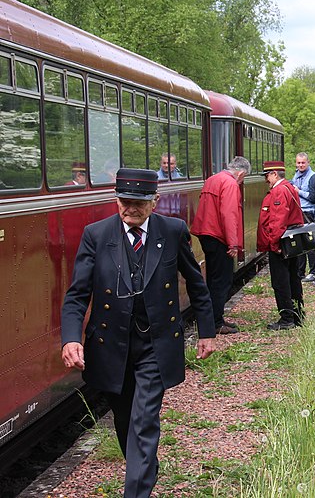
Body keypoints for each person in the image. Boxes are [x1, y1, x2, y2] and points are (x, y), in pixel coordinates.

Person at [60, 168, 216, 498]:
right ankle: (144, 468)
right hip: (110, 346)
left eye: (138, 203)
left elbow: (197, 284)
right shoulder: (97, 234)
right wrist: (72, 338)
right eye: (124, 202)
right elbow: (77, 294)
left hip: (155, 345)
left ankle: (135, 491)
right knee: (124, 420)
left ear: (155, 202)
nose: (129, 209)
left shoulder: (172, 231)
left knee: (144, 421)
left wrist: (207, 330)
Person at [190, 156, 251, 334]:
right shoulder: (230, 184)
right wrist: (233, 244)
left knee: (212, 279)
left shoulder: (212, 179)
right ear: (240, 173)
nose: (241, 181)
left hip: (206, 235)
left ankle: (212, 319)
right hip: (219, 237)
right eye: (244, 177)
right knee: (221, 281)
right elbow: (229, 214)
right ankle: (215, 323)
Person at [257, 160, 305, 330]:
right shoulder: (289, 188)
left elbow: (277, 220)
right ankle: (298, 315)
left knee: (281, 281)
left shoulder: (278, 191)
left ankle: (286, 318)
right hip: (292, 241)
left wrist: (273, 242)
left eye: (267, 176)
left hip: (282, 242)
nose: (266, 180)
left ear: (274, 174)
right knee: (293, 278)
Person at [291, 152, 315, 280]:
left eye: (303, 163)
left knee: (310, 242)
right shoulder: (296, 175)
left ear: (308, 162)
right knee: (299, 243)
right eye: (298, 163)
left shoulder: (312, 177)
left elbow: (313, 197)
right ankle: (300, 272)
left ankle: (313, 271)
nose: (300, 165)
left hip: (308, 212)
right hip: (298, 211)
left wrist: (298, 191)